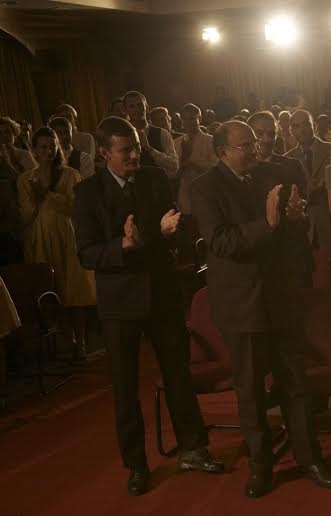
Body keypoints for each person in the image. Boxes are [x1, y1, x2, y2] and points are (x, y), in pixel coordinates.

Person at [72, 116, 223, 496]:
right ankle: (137, 465)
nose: (134, 155)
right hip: (120, 303)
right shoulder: (88, 192)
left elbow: (173, 228)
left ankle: (193, 448)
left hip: (162, 293)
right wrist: (121, 246)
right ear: (104, 153)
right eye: (125, 150)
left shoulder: (155, 178)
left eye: (136, 147)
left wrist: (172, 231)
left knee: (178, 375)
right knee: (125, 387)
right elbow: (86, 254)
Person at [191, 121, 331, 497]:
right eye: (245, 146)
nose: (255, 150)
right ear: (223, 152)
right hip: (241, 304)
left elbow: (294, 233)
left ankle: (310, 458)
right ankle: (261, 466)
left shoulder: (274, 173)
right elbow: (222, 242)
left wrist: (295, 219)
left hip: (281, 297)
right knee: (251, 390)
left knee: (296, 384)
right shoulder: (205, 187)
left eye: (254, 142)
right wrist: (269, 223)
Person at [17, 127, 96, 360]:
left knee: (74, 289)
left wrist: (48, 193)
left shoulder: (70, 174)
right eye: (43, 147)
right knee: (53, 289)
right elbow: (26, 214)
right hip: (41, 236)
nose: (48, 151)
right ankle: (66, 341)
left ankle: (81, 341)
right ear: (34, 150)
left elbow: (73, 206)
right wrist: (36, 196)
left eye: (52, 146)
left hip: (66, 234)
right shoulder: (25, 179)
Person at [249, 110, 314, 286]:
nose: (266, 139)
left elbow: (303, 205)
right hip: (256, 256)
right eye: (259, 134)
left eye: (271, 134)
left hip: (290, 253)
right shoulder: (240, 170)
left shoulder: (291, 166)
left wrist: (297, 211)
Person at [285, 110, 331, 289]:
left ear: (314, 125)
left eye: (306, 124)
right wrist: (306, 191)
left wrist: (328, 185)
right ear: (291, 130)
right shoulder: (287, 159)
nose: (302, 129)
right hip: (303, 227)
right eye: (296, 126)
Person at [0, 117, 35, 264]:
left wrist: (9, 165)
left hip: (26, 214)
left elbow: (33, 183)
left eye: (7, 132)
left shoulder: (24, 155)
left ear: (14, 134)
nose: (4, 137)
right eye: (0, 133)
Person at [122, 91, 179, 180]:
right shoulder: (121, 135)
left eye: (140, 105)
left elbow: (174, 165)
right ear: (125, 111)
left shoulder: (162, 133)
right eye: (132, 106)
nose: (137, 109)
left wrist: (150, 149)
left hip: (156, 185)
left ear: (147, 107)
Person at [173, 103, 218, 215]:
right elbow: (173, 173)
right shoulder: (176, 143)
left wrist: (191, 161)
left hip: (207, 192)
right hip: (185, 194)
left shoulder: (211, 141)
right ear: (181, 120)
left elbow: (216, 167)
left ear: (200, 118)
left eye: (192, 118)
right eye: (185, 119)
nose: (189, 122)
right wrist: (184, 159)